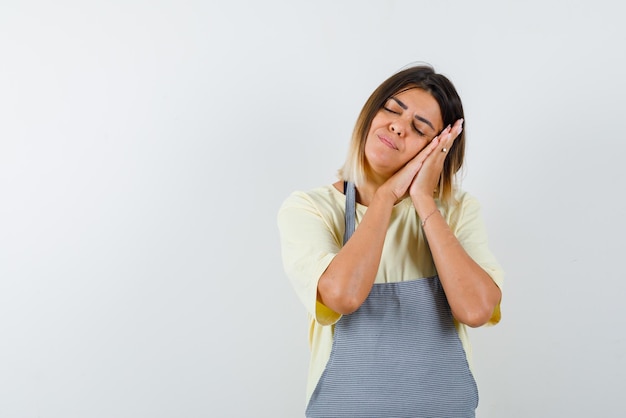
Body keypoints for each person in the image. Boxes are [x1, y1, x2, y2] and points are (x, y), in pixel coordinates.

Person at [277, 64, 503, 417]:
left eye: (419, 127)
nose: (398, 125)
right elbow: (343, 295)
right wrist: (385, 198)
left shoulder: (457, 212)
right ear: (371, 113)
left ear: (438, 149)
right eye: (392, 109)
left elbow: (476, 310)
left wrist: (425, 201)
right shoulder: (311, 209)